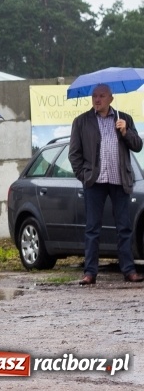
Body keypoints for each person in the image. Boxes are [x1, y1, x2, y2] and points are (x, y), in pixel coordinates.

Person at [68, 83, 144, 285]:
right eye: (94, 96)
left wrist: (126, 132)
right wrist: (84, 176)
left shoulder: (123, 118)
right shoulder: (82, 122)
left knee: (124, 228)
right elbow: (74, 154)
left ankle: (128, 270)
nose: (97, 100)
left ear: (111, 98)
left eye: (101, 96)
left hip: (120, 180)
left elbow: (138, 146)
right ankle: (90, 273)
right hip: (95, 182)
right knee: (92, 228)